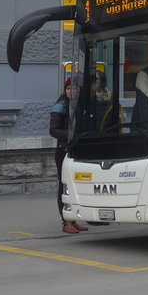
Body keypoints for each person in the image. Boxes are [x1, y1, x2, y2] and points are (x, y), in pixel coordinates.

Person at [49, 79, 86, 233]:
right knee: (64, 186)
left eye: (75, 88)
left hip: (75, 149)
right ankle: (66, 221)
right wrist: (71, 135)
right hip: (63, 149)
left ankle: (74, 219)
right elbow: (53, 130)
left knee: (75, 185)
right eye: (69, 88)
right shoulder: (61, 106)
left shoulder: (79, 106)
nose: (72, 91)